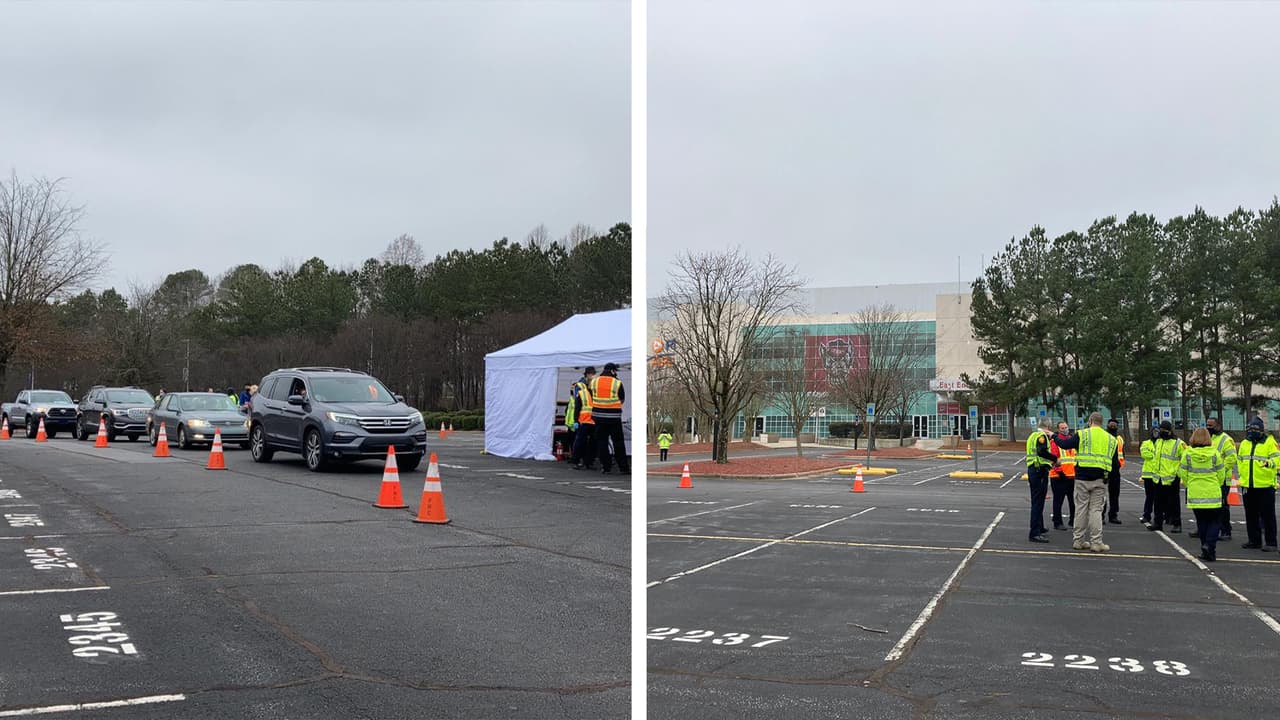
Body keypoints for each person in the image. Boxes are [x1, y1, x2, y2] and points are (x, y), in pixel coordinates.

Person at [1054, 412, 1118, 552]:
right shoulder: (1111, 439)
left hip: (1082, 477)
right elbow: (1115, 463)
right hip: (1101, 478)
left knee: (1081, 509)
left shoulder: (1082, 434)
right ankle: (1096, 542)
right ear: (1102, 422)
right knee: (1096, 510)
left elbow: (1065, 444)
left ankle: (1079, 540)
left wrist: (1054, 436)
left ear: (1090, 421)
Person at [1181, 427, 1227, 561]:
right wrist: (1216, 484)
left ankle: (1206, 550)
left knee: (1202, 522)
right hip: (1212, 491)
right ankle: (1210, 545)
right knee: (1215, 521)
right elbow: (1221, 474)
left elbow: (1182, 473)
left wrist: (1191, 484)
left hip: (1195, 492)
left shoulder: (1188, 454)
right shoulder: (1215, 454)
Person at [1236, 417, 1278, 551]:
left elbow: (1277, 460)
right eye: (1249, 429)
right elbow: (1240, 461)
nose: (1251, 432)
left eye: (1254, 429)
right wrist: (1243, 479)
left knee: (1268, 516)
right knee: (1251, 515)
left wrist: (1268, 463)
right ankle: (1254, 540)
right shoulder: (1244, 443)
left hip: (1265, 485)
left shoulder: (1270, 443)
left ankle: (1271, 542)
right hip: (1248, 485)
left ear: (1261, 431)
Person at [589, 362, 629, 475]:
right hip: (614, 417)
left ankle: (605, 467)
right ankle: (623, 468)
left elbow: (592, 396)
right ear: (613, 371)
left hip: (598, 417)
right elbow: (622, 399)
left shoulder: (594, 381)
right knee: (618, 442)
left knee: (602, 442)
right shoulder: (617, 383)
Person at [1201, 417, 1236, 540]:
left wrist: (1219, 470)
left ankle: (1226, 531)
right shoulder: (1207, 439)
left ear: (1218, 426)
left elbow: (1231, 458)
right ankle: (1205, 529)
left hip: (1222, 479)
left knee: (1222, 506)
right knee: (1207, 506)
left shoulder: (1226, 440)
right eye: (1207, 425)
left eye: (1211, 425)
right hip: (1209, 479)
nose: (1208, 428)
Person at [1149, 420, 1185, 533]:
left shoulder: (1178, 443)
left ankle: (1177, 524)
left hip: (1171, 479)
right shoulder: (1159, 441)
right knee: (1158, 503)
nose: (1162, 432)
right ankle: (1158, 523)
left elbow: (1184, 461)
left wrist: (1177, 475)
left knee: (1174, 503)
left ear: (1170, 431)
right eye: (1160, 430)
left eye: (1164, 430)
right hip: (1158, 478)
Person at [1026, 418, 1057, 543]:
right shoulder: (1041, 436)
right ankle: (1034, 533)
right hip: (1039, 471)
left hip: (1034, 470)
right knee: (1038, 502)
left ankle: (1040, 527)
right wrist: (1055, 459)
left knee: (1037, 501)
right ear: (1048, 426)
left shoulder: (1033, 435)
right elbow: (1042, 452)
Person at [1048, 420, 1077, 531]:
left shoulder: (1071, 440)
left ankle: (1073, 520)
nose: (1065, 430)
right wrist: (1060, 472)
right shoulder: (1054, 442)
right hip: (1058, 476)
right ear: (1058, 429)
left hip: (1071, 476)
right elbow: (1054, 458)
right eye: (1062, 428)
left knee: (1073, 501)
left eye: (1066, 427)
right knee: (1058, 501)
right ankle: (1057, 522)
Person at [568, 367, 597, 470]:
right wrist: (576, 420)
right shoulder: (580, 386)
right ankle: (576, 460)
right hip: (584, 419)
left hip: (593, 420)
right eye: (591, 374)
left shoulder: (594, 386)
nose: (593, 376)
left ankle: (588, 462)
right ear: (587, 374)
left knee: (592, 442)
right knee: (580, 441)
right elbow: (577, 405)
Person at [1103, 418, 1125, 524]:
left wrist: (1120, 464)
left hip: (1116, 470)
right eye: (1111, 425)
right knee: (1102, 493)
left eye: (1115, 425)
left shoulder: (1120, 439)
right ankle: (1100, 515)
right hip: (1104, 468)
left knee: (1115, 494)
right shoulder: (1103, 436)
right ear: (1107, 425)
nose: (1113, 426)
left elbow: (1122, 453)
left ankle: (1113, 515)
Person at [1139, 424, 1160, 527]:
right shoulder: (1146, 443)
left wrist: (1153, 454)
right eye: (1154, 431)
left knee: (1159, 498)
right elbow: (1144, 454)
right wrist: (1156, 454)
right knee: (1149, 497)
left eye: (1157, 431)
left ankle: (1160, 516)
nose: (1155, 433)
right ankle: (1146, 515)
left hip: (1159, 475)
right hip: (1148, 475)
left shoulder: (1162, 443)